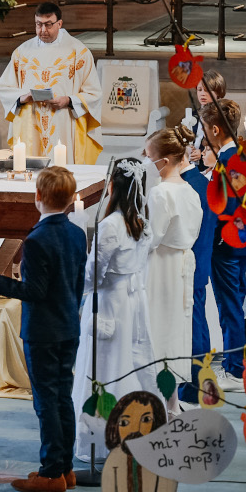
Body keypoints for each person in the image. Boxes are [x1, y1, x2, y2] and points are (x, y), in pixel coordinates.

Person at [0, 166, 86, 492]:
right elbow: (77, 283)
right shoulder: (77, 234)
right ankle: (66, 468)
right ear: (70, 200)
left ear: (37, 197)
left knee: (45, 401)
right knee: (62, 398)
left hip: (43, 331)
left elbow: (35, 291)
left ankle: (51, 471)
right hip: (68, 324)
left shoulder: (38, 239)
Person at [72, 159, 154, 464]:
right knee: (126, 367)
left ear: (112, 188)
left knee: (103, 370)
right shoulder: (141, 222)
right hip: (131, 303)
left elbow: (93, 275)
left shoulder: (110, 225)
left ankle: (99, 438)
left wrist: (77, 278)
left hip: (109, 303)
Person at [0, 2, 101, 163]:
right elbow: (3, 87)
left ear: (59, 23)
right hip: (30, 121)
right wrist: (22, 97)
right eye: (38, 25)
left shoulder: (78, 52)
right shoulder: (22, 52)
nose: (43, 30)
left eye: (48, 25)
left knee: (60, 171)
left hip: (63, 120)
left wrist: (69, 100)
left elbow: (94, 93)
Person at [143, 128, 202, 413]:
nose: (146, 160)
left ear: (164, 161)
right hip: (182, 264)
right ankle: (172, 401)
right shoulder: (190, 190)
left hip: (161, 266)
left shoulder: (160, 192)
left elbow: (151, 237)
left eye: (149, 156)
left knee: (159, 330)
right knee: (176, 331)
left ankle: (159, 400)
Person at [199, 98, 246, 390]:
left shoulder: (227, 162)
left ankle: (235, 369)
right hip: (241, 243)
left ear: (215, 130)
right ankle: (236, 363)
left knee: (229, 307)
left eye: (205, 129)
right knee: (234, 303)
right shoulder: (236, 156)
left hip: (226, 246)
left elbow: (226, 206)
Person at [172, 123, 218, 407]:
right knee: (199, 325)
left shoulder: (188, 186)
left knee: (193, 328)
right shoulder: (204, 182)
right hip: (202, 263)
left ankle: (192, 388)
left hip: (189, 264)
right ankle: (202, 381)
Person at [101, 392, 177, 492]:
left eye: (146, 420)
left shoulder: (160, 453)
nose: (135, 429)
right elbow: (108, 482)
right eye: (125, 422)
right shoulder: (116, 456)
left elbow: (168, 477)